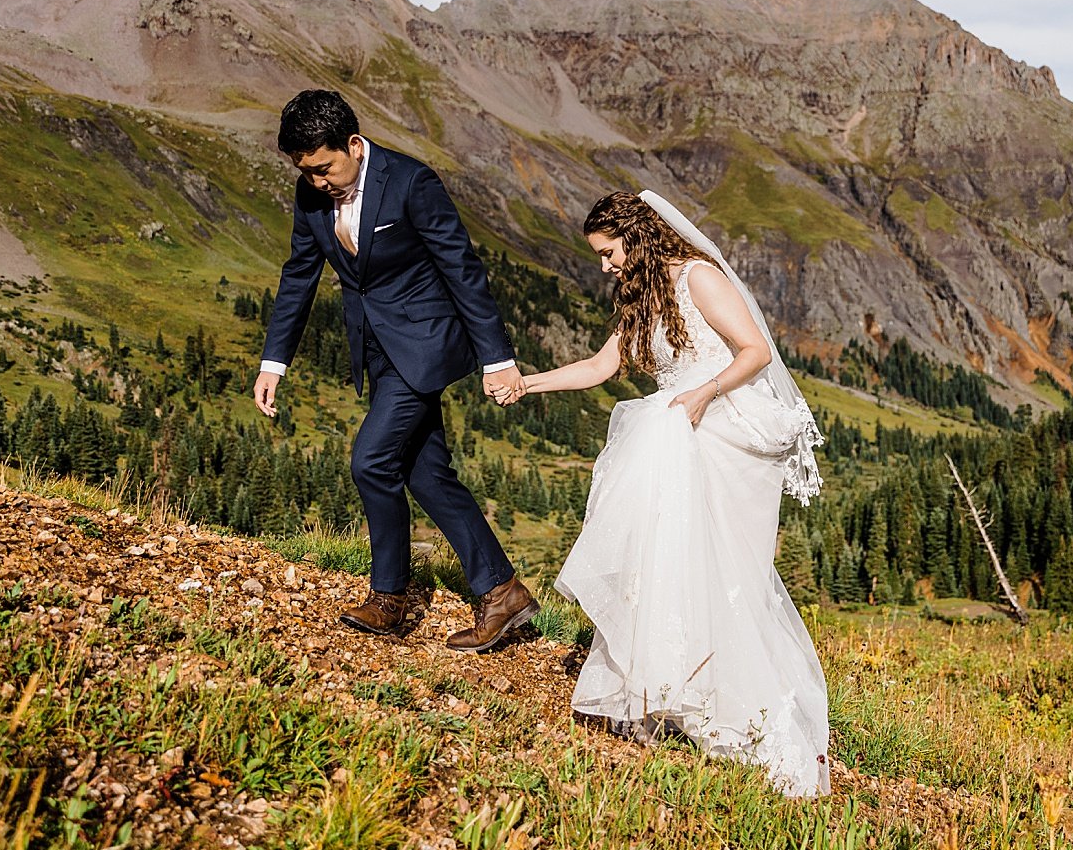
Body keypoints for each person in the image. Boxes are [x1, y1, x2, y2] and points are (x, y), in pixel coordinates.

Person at [500, 190, 830, 796]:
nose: (603, 266)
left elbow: (756, 351)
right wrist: (529, 383)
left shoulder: (699, 278)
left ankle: (738, 706)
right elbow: (601, 368)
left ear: (637, 236)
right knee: (659, 562)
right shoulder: (643, 295)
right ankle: (657, 693)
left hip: (717, 431)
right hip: (671, 434)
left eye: (607, 252)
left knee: (721, 570)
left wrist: (704, 394)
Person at [253, 89, 538, 652]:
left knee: (372, 461)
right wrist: (274, 362)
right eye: (305, 172)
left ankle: (391, 597)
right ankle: (504, 592)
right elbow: (299, 275)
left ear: (354, 145)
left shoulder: (411, 182)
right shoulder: (310, 197)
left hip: (425, 345)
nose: (316, 182)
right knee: (425, 474)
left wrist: (497, 358)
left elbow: (462, 269)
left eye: (324, 168)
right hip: (377, 352)